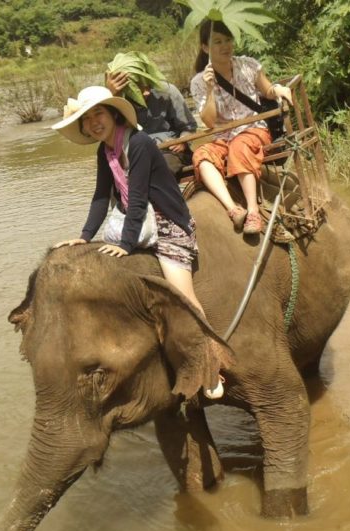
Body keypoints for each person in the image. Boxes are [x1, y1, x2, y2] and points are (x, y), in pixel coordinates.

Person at [50, 86, 224, 399]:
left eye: (98, 113)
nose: (94, 122)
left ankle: (211, 364)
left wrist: (127, 245)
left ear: (114, 114)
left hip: (167, 221)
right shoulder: (105, 151)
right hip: (138, 223)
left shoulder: (140, 143)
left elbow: (140, 196)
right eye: (87, 119)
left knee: (182, 297)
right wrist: (85, 236)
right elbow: (102, 197)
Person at [190, 20, 293, 235]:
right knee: (201, 155)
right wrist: (210, 90)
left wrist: (279, 89)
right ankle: (233, 208)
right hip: (222, 138)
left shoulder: (248, 65)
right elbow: (209, 122)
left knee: (240, 145)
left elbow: (268, 90)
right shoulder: (199, 81)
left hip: (254, 130)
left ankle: (253, 211)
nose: (225, 46)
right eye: (217, 41)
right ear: (205, 47)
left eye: (228, 40)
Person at [105, 65, 196, 179]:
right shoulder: (118, 101)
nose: (146, 92)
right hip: (134, 154)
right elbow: (110, 134)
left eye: (147, 85)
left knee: (160, 167)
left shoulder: (167, 91)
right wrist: (110, 96)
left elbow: (189, 127)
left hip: (170, 152)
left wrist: (182, 142)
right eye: (138, 88)